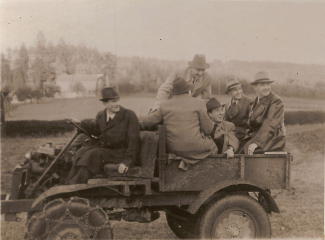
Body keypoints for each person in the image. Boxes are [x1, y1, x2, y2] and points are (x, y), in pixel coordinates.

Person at [66, 87, 141, 184]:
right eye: (113, 101)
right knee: (82, 151)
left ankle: (75, 184)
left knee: (94, 154)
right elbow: (96, 130)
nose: (117, 104)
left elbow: (134, 140)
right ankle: (67, 182)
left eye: (117, 100)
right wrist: (79, 123)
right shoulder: (101, 115)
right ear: (105, 103)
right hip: (108, 151)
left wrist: (127, 161)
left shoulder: (129, 115)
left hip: (121, 152)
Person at [142, 77, 217, 170]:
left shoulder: (164, 105)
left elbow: (147, 122)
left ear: (174, 92)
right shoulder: (199, 103)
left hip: (175, 149)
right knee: (214, 147)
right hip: (196, 146)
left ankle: (185, 164)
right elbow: (208, 129)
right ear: (188, 90)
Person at [244, 71, 286, 156]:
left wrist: (256, 143)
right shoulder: (254, 102)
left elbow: (270, 124)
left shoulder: (276, 101)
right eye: (262, 85)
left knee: (246, 151)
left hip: (272, 140)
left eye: (268, 84)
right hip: (257, 138)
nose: (266, 87)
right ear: (255, 87)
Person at [224, 77, 253, 151]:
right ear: (229, 92)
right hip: (232, 135)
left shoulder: (249, 102)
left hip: (245, 137)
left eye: (240, 89)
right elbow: (226, 123)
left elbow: (253, 125)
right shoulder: (227, 105)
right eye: (235, 90)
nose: (239, 92)